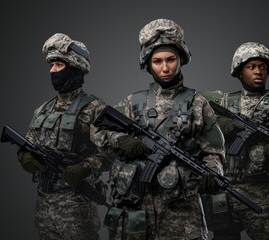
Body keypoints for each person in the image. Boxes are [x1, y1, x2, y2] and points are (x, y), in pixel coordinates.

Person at [91, 19, 225, 240]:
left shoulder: (198, 104)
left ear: (181, 59)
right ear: (148, 63)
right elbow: (97, 129)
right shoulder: (133, 102)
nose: (165, 68)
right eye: (157, 61)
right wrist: (121, 140)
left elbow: (215, 151)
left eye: (171, 59)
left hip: (181, 215)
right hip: (134, 212)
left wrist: (212, 173)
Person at [199, 42, 269, 240]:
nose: (258, 72)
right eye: (251, 67)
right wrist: (220, 125)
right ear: (239, 71)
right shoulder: (224, 101)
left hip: (261, 191)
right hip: (224, 190)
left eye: (262, 67)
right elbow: (192, 106)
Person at [17, 33, 112, 240]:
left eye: (58, 65)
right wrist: (24, 156)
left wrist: (86, 167)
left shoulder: (94, 108)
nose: (52, 71)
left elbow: (111, 153)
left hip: (76, 205)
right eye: (51, 65)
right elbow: (27, 143)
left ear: (74, 67)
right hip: (44, 202)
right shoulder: (43, 109)